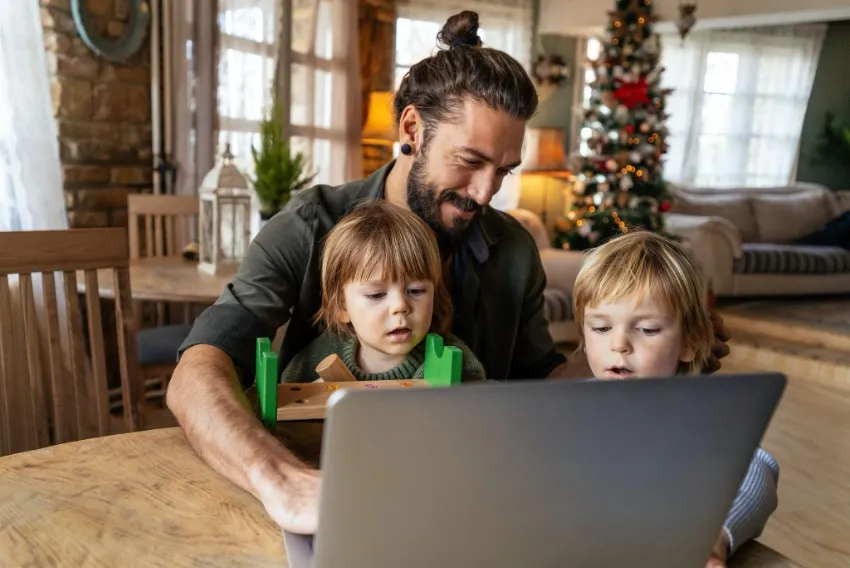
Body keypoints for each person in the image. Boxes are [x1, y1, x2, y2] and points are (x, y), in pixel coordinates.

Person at [166, 10, 731, 540]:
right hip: (324, 499)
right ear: (413, 126)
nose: (486, 193)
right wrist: (281, 480)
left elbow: (538, 383)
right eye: (469, 161)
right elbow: (199, 370)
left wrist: (638, 339)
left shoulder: (511, 248)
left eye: (503, 171)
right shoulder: (309, 225)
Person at [572, 230, 780, 568]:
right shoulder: (560, 408)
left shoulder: (698, 417)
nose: (618, 345)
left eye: (648, 330)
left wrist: (717, 537)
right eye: (601, 328)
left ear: (691, 342)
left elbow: (758, 470)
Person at [280, 200, 486, 383]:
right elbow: (285, 409)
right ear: (341, 306)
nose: (401, 306)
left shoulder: (456, 363)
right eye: (376, 295)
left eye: (415, 290)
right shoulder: (316, 359)